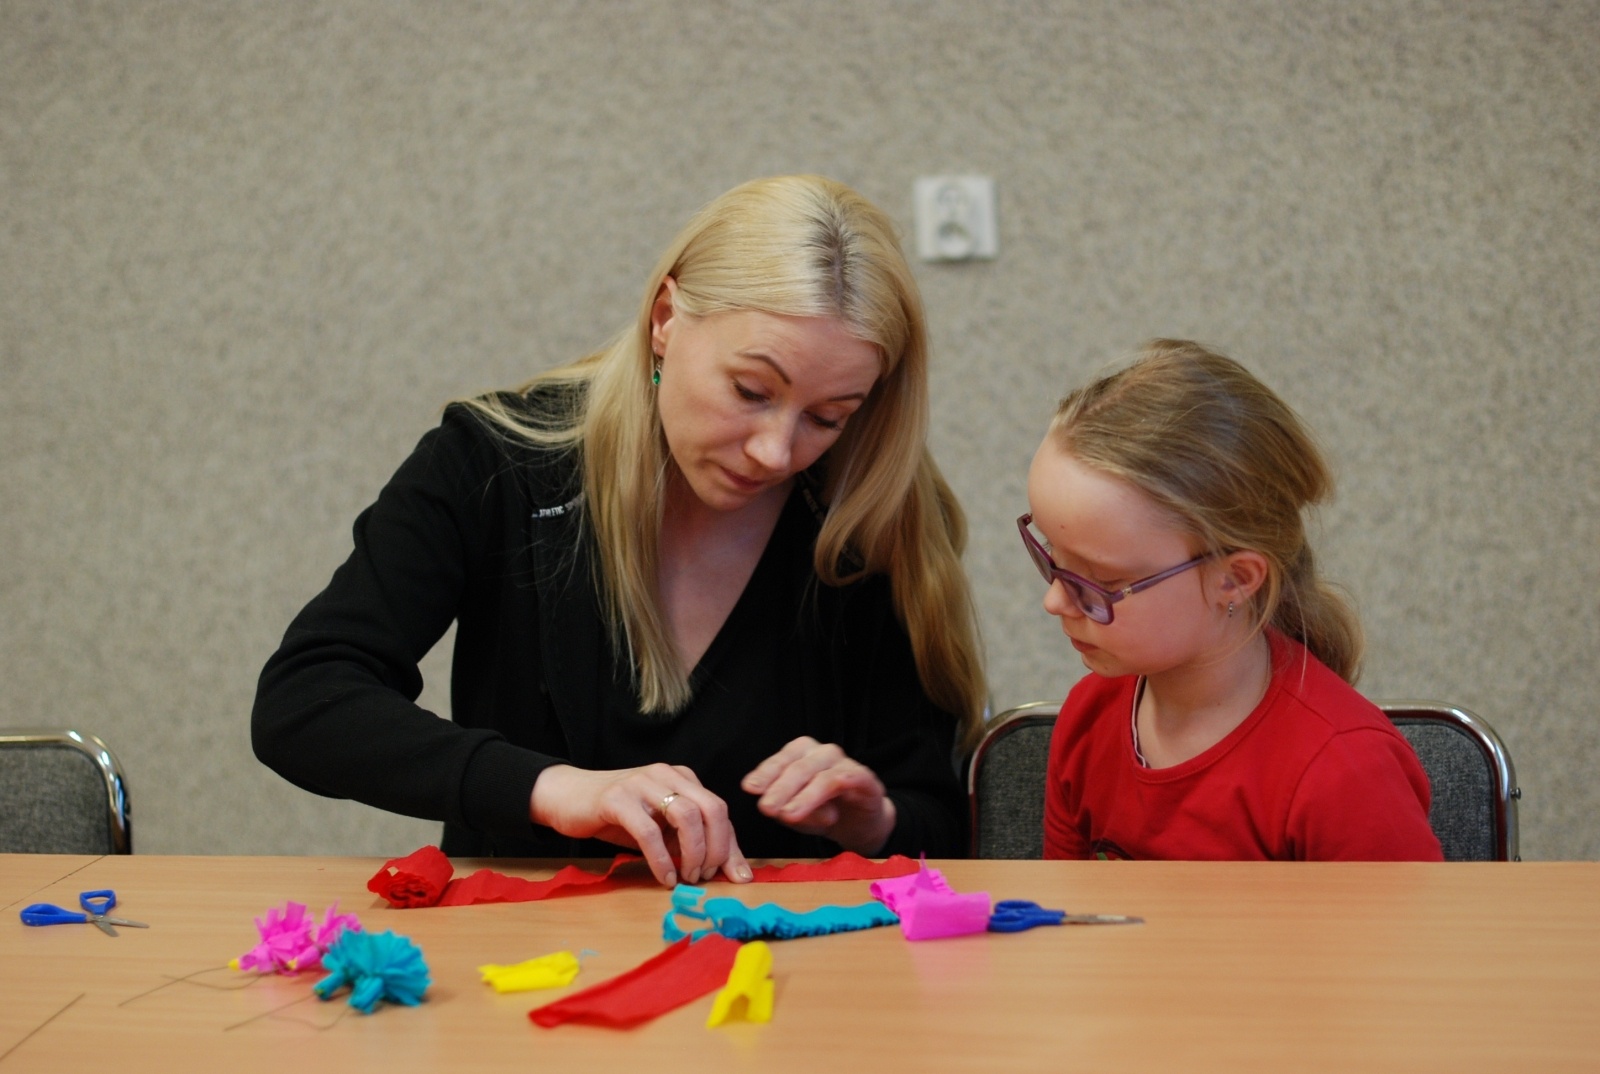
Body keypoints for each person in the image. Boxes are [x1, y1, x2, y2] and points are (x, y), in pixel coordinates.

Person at [253, 175, 986, 887]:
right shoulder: (498, 463)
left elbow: (944, 825)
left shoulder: (866, 518)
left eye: (828, 418)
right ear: (665, 319)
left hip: (784, 954)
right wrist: (553, 788)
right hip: (513, 947)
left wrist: (873, 821)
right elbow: (306, 701)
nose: (776, 452)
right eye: (750, 390)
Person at [1024, 340, 1442, 861]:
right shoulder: (1089, 719)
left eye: (1100, 580)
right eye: (1051, 555)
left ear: (1235, 579)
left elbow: (1399, 921)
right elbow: (1067, 912)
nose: (1054, 600)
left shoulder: (1344, 770)